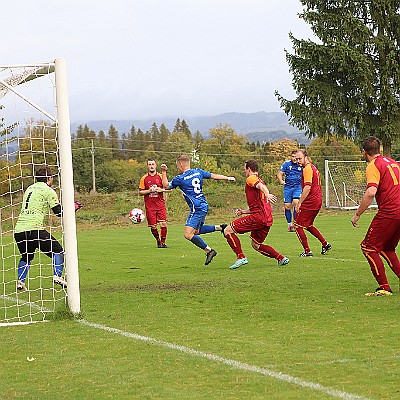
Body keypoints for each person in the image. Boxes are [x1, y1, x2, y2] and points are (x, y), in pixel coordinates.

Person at [14, 166, 82, 291]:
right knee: (58, 251)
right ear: (50, 179)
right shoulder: (48, 190)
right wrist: (73, 207)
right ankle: (57, 276)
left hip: (19, 230)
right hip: (35, 229)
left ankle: (20, 282)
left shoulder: (29, 188)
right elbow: (58, 212)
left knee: (27, 256)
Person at [161, 155, 235, 265]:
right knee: (196, 231)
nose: (177, 168)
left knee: (188, 234)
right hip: (203, 205)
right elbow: (213, 176)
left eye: (177, 165)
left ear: (181, 164)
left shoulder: (180, 179)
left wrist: (163, 172)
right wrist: (227, 177)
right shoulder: (198, 172)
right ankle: (220, 227)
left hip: (197, 208)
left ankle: (209, 251)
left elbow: (166, 186)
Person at [351, 136, 400, 296]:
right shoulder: (393, 163)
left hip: (390, 212)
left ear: (364, 152)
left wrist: (358, 214)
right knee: (387, 248)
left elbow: (371, 192)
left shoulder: (374, 165)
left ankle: (384, 287)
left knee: (369, 247)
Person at [222, 159, 289, 269]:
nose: (244, 172)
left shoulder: (251, 178)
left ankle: (241, 257)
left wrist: (267, 194)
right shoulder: (260, 180)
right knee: (256, 245)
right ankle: (281, 258)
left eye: (245, 169)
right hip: (267, 218)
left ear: (249, 169)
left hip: (258, 217)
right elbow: (258, 204)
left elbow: (261, 187)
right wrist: (244, 211)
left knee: (227, 230)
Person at [293, 149, 331, 257]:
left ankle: (307, 251)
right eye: (296, 159)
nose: (298, 161)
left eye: (300, 158)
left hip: (310, 201)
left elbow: (308, 187)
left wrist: (300, 202)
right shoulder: (313, 168)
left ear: (306, 157)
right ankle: (325, 243)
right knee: (308, 225)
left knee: (297, 225)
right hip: (317, 200)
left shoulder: (307, 168)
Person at [139, 159, 170, 248]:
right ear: (147, 166)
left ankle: (163, 243)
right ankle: (158, 240)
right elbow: (140, 192)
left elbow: (169, 188)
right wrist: (149, 190)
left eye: (153, 164)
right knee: (153, 227)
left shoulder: (161, 176)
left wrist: (161, 190)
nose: (151, 166)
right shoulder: (144, 178)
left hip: (160, 205)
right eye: (149, 164)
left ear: (155, 165)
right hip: (150, 206)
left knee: (163, 224)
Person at [277, 150, 303, 232]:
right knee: (287, 206)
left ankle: (296, 224)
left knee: (296, 202)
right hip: (288, 188)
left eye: (296, 157)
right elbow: (279, 173)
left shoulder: (301, 164)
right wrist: (281, 181)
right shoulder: (286, 164)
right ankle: (289, 225)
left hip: (298, 187)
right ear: (291, 157)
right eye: (293, 156)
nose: (294, 158)